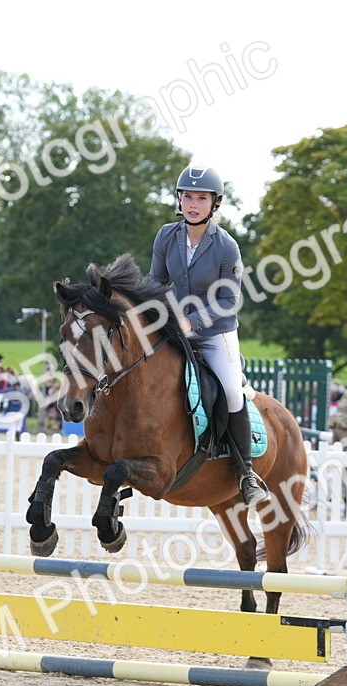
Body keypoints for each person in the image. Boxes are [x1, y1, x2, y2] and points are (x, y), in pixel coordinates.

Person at [148, 164, 268, 507]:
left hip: (216, 332)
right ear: (179, 199)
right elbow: (156, 283)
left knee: (232, 391)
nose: (193, 203)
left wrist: (193, 322)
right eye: (187, 196)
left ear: (214, 203)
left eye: (201, 198)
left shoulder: (226, 246)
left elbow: (229, 301)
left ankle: (245, 473)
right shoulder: (166, 236)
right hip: (174, 326)